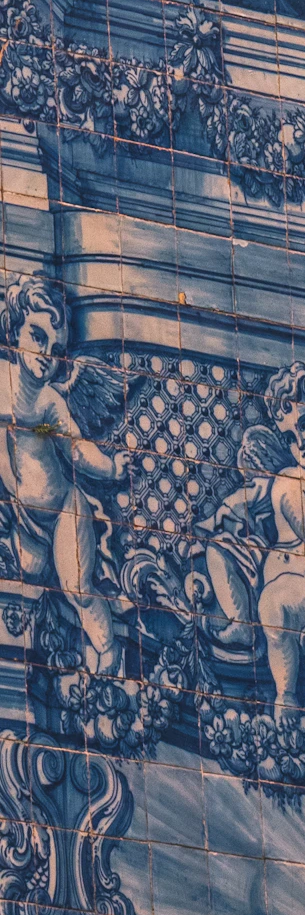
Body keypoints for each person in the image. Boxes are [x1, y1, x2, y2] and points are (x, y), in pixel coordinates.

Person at [202, 372, 305, 719]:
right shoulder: (291, 479)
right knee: (222, 555)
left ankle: (286, 696)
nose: (301, 444)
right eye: (290, 438)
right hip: (275, 582)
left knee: (274, 605)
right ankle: (249, 634)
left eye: (304, 425)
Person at [0, 276, 122, 675]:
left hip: (63, 512)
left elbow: (76, 449)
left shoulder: (49, 403)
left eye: (55, 350)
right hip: (22, 519)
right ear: (13, 327)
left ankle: (108, 654)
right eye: (36, 336)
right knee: (25, 591)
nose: (44, 354)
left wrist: (112, 467)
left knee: (77, 589)